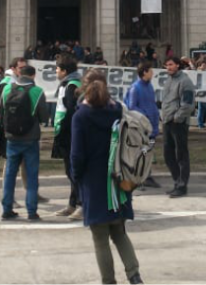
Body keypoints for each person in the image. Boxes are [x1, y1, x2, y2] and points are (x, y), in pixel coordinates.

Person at [70, 69, 143, 285]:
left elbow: (77, 154)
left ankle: (109, 281)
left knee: (100, 238)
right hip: (118, 179)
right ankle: (134, 275)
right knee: (119, 232)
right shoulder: (118, 111)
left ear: (85, 87)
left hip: (94, 182)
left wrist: (76, 178)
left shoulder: (81, 116)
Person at [0, 65, 48, 221]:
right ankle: (32, 211)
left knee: (10, 175)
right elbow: (44, 117)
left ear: (19, 74)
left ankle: (7, 209)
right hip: (31, 139)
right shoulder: (37, 92)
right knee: (31, 175)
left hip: (11, 139)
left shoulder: (6, 90)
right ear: (33, 76)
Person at [52, 55, 84, 220]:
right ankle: (72, 204)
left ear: (64, 71)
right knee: (70, 170)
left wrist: (63, 128)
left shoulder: (71, 86)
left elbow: (72, 112)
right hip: (66, 132)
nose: (56, 71)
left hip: (70, 134)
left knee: (74, 171)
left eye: (57, 68)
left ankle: (81, 205)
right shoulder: (68, 84)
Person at [161, 57, 196, 198]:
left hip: (178, 123)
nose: (168, 67)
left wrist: (178, 118)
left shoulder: (185, 81)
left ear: (177, 65)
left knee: (181, 154)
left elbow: (188, 103)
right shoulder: (169, 80)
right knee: (167, 154)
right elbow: (166, 100)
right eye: (166, 65)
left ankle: (182, 186)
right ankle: (177, 181)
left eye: (170, 64)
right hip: (167, 121)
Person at [127, 61, 162, 188]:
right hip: (143, 127)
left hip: (152, 126)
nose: (153, 73)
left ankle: (146, 175)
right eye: (151, 71)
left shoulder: (150, 86)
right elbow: (132, 106)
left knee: (149, 151)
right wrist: (145, 115)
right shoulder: (135, 88)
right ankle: (141, 176)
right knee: (142, 151)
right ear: (144, 73)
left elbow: (151, 103)